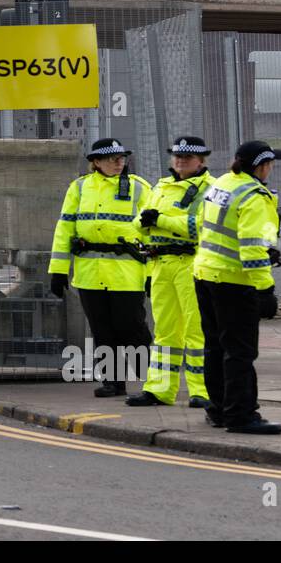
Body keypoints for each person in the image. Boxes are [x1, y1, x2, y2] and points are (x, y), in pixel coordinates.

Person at [193, 140, 281, 434]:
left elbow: (202, 224)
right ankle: (241, 415)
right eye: (270, 164)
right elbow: (252, 248)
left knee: (215, 347)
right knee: (240, 352)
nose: (271, 169)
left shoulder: (222, 183)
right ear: (261, 166)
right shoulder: (255, 196)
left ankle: (218, 409)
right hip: (235, 282)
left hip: (206, 274)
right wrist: (265, 291)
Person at [49, 138, 153, 397]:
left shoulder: (140, 188)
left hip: (127, 275)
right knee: (102, 330)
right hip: (90, 275)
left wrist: (152, 273)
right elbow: (65, 229)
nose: (119, 162)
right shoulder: (80, 188)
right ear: (95, 162)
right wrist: (58, 269)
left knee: (132, 327)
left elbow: (153, 234)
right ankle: (113, 382)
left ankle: (149, 377)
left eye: (122, 158)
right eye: (111, 159)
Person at [127, 137, 214, 409]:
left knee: (196, 330)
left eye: (187, 158)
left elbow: (200, 226)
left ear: (201, 161)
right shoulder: (161, 187)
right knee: (165, 331)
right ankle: (159, 390)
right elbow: (139, 224)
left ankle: (203, 392)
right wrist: (149, 222)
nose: (180, 161)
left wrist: (160, 221)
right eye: (177, 156)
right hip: (161, 264)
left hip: (190, 264)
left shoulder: (208, 189)